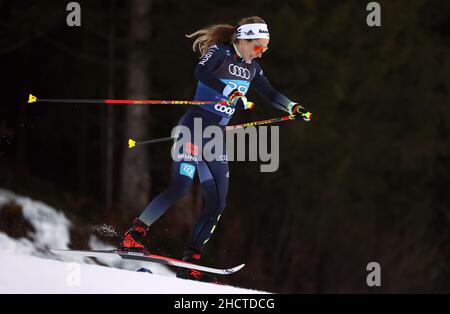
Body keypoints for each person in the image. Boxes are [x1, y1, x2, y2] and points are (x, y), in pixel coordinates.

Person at [119, 16, 312, 283]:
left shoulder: (253, 68)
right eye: (258, 47)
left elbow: (270, 93)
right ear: (243, 40)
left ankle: (190, 261)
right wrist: (230, 93)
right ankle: (134, 236)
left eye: (265, 48)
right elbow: (201, 72)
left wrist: (293, 107)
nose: (261, 52)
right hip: (194, 127)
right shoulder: (220, 52)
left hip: (214, 138)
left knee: (218, 202)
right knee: (181, 186)